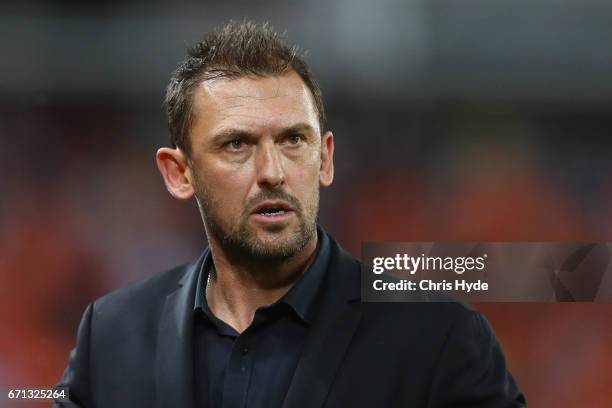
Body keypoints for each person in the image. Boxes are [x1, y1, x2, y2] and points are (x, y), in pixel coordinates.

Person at [56, 20, 526, 407]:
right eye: (237, 144)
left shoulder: (438, 339)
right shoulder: (111, 335)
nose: (272, 172)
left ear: (324, 159)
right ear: (180, 173)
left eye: (292, 140)